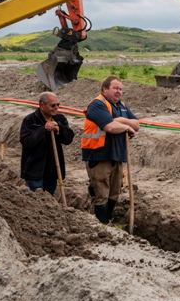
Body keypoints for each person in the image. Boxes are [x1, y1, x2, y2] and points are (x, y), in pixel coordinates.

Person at [82, 75, 140, 224]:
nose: (118, 92)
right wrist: (126, 126)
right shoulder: (97, 104)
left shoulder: (122, 106)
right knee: (101, 193)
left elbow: (137, 125)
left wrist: (121, 120)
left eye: (120, 89)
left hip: (117, 156)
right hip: (99, 156)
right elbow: (109, 127)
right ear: (104, 89)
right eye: (115, 88)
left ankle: (107, 222)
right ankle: (101, 226)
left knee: (114, 193)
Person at [20, 91, 75, 195]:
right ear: (42, 105)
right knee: (37, 201)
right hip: (34, 172)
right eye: (52, 105)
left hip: (52, 172)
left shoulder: (60, 119)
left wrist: (59, 128)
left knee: (49, 201)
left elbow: (68, 139)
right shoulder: (30, 120)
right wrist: (43, 129)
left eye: (58, 104)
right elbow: (27, 142)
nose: (56, 107)